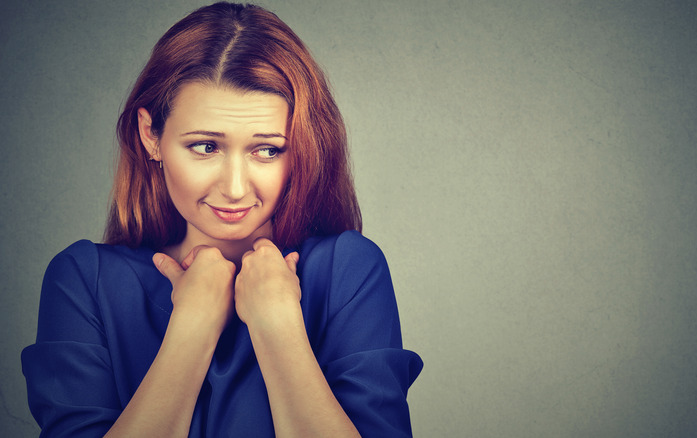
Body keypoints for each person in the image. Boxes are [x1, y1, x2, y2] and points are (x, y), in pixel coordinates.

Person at [21, 3, 422, 437]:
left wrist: (279, 328)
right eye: (206, 147)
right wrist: (192, 326)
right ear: (150, 135)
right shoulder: (84, 281)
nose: (234, 187)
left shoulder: (348, 270)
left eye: (267, 150)